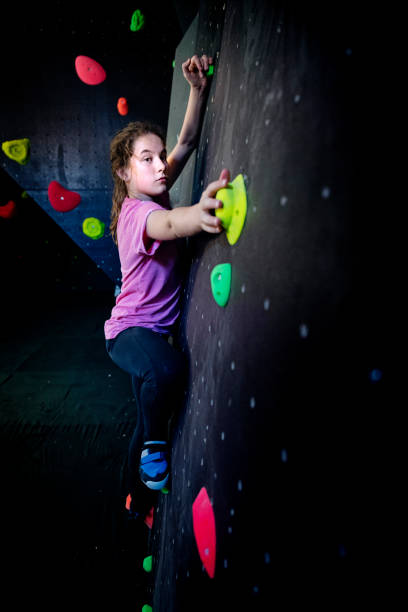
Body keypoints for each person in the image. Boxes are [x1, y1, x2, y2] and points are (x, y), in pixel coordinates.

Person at [104, 54, 230, 518]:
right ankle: (154, 450)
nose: (161, 166)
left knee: (144, 415)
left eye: (159, 157)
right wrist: (198, 215)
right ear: (124, 172)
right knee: (168, 373)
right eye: (147, 159)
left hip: (151, 332)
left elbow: (189, 139)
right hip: (129, 334)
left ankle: (135, 499)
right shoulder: (139, 214)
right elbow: (171, 223)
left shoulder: (155, 184)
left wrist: (197, 89)